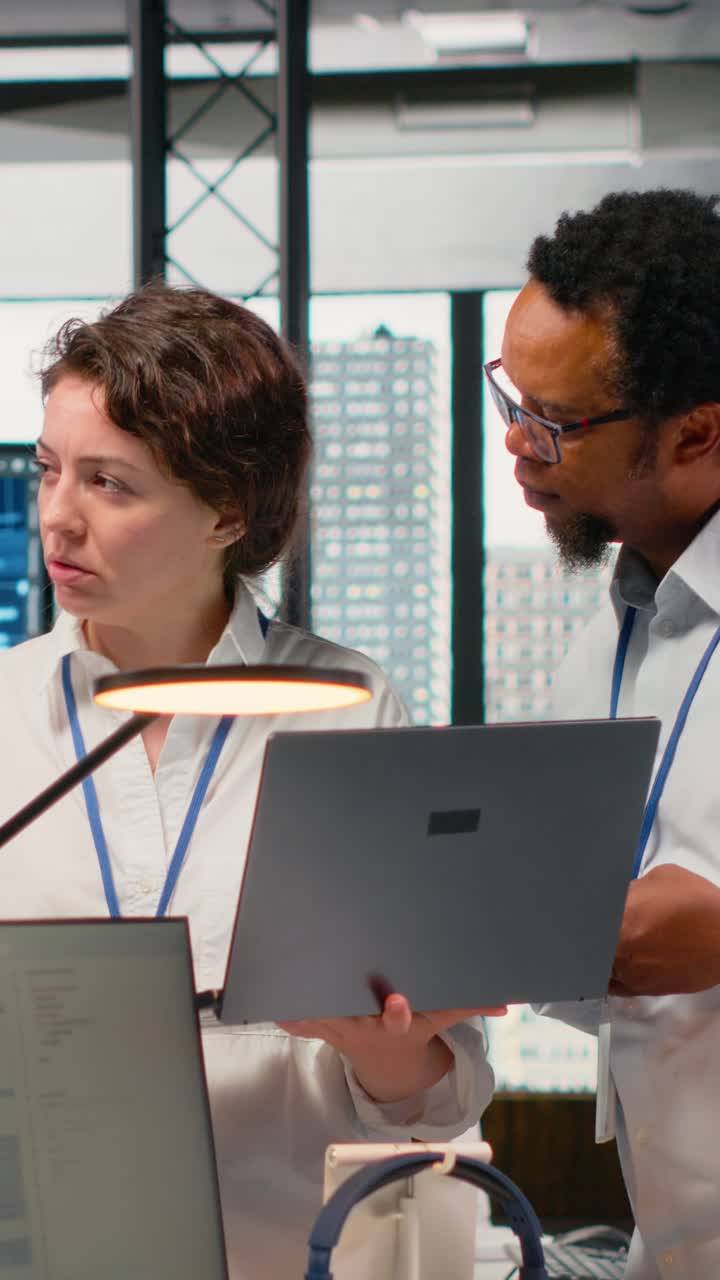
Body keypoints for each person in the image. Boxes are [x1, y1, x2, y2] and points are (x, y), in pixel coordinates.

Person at [0, 285, 499, 1278]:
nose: (56, 517)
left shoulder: (349, 707)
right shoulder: (9, 713)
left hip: (283, 1253)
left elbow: (445, 1099)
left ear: (228, 509)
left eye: (109, 483)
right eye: (52, 469)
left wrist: (390, 1051)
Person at [486, 187, 720, 1280]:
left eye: (554, 422)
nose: (515, 445)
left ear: (695, 431)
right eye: (510, 397)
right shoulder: (611, 638)